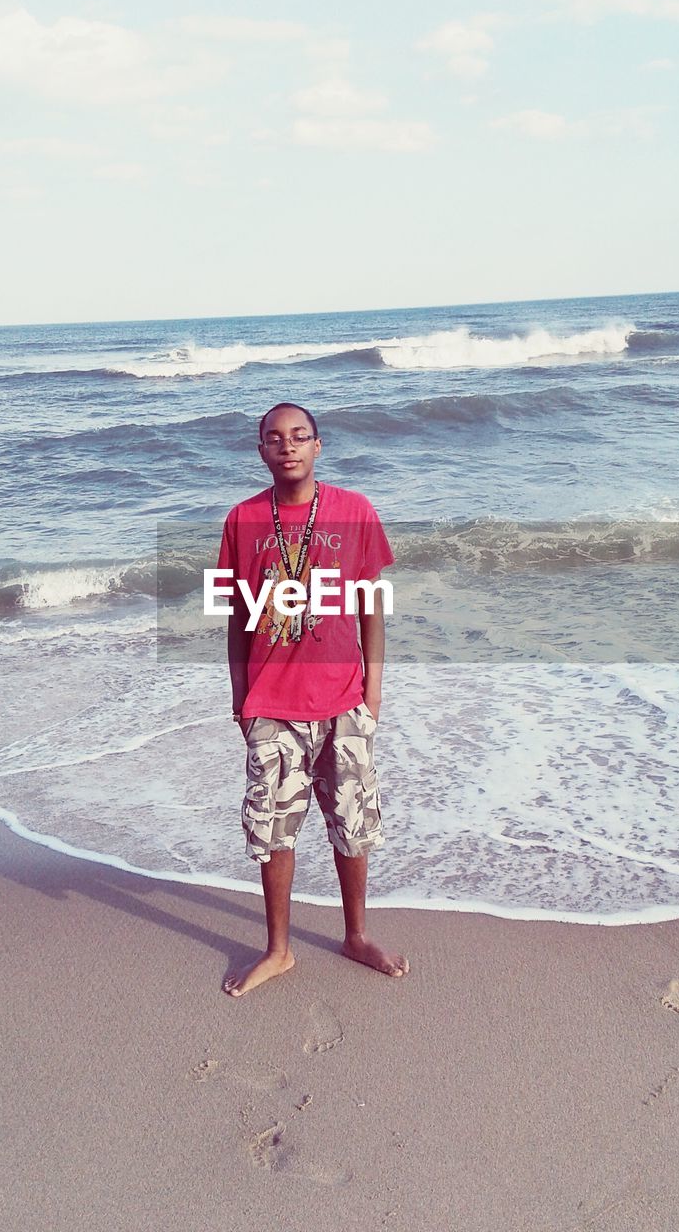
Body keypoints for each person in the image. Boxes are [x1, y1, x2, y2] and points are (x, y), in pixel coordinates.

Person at [216, 401, 408, 997]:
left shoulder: (354, 511)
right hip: (272, 704)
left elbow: (371, 604)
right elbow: (237, 618)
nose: (289, 446)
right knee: (272, 831)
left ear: (319, 446)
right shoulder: (243, 520)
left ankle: (355, 935)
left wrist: (373, 690)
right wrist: (240, 694)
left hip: (343, 698)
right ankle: (278, 950)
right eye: (275, 438)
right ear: (262, 452)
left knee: (353, 827)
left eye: (300, 436)